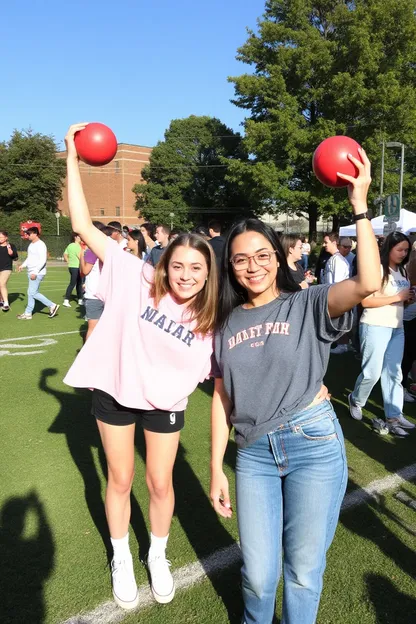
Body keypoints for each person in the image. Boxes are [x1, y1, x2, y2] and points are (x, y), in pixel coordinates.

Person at [210, 148, 381, 624]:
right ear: (230, 266)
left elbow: (368, 280)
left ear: (278, 255)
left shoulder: (307, 304)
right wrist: (214, 467)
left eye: (262, 255)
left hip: (313, 444)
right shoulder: (224, 322)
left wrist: (359, 205)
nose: (252, 266)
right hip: (254, 454)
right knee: (259, 576)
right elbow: (223, 397)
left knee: (303, 571)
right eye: (241, 259)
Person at [63, 123, 219, 610]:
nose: (186, 276)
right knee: (119, 479)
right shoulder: (136, 274)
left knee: (160, 483)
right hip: (114, 394)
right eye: (179, 266)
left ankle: (156, 553)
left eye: (197, 269)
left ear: (208, 272)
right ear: (165, 264)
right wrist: (72, 156)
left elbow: (235, 374)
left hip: (164, 405)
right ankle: (120, 556)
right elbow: (85, 226)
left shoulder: (211, 317)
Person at [348, 231, 416, 437]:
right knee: (372, 372)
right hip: (375, 325)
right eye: (400, 249)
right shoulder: (377, 269)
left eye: (406, 250)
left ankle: (394, 416)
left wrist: (407, 299)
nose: (404, 253)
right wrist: (398, 296)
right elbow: (366, 302)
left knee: (394, 373)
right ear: (389, 248)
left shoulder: (402, 271)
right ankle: (356, 399)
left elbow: (399, 301)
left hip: (397, 327)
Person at [17, 227, 59, 320]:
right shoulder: (31, 245)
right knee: (30, 293)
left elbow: (43, 260)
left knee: (33, 293)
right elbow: (29, 258)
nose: (27, 235)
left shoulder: (41, 245)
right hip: (31, 272)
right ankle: (28, 313)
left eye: (29, 234)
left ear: (35, 234)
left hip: (37, 273)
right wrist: (22, 265)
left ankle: (52, 305)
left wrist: (35, 272)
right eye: (27, 234)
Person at [63, 232, 83, 308]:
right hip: (76, 267)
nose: (81, 239)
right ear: (75, 237)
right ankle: (66, 300)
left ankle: (80, 299)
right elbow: (80, 256)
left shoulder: (70, 245)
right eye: (79, 237)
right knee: (74, 283)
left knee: (78, 283)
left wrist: (69, 261)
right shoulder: (78, 246)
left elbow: (65, 254)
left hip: (72, 266)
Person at [0, 230, 18, 312]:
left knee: (2, 284)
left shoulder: (11, 246)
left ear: (6, 237)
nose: (0, 238)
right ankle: (1, 301)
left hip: (6, 268)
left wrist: (12, 254)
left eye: (1, 237)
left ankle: (6, 303)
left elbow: (16, 258)